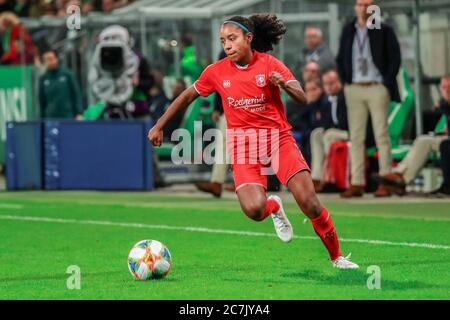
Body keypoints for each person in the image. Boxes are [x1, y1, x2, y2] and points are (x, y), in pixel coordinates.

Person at [148, 14, 359, 269]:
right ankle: (273, 206)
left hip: (277, 139)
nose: (227, 45)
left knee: (309, 202)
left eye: (232, 38)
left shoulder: (270, 64)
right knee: (254, 211)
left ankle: (337, 257)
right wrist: (159, 125)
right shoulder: (216, 71)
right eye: (223, 40)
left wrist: (285, 86)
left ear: (249, 38)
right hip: (243, 145)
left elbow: (303, 97)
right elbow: (187, 95)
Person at [336, 0, 401, 198]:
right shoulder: (348, 29)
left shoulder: (383, 29)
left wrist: (385, 82)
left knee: (381, 134)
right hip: (354, 87)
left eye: (368, 4)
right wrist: (346, 81)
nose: (364, 8)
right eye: (360, 4)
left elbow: (395, 58)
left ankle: (386, 180)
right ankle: (357, 183)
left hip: (376, 87)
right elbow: (341, 57)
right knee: (356, 137)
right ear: (355, 7)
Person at [376, 75, 450, 195]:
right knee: (423, 141)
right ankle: (400, 178)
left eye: (449, 87)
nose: (447, 91)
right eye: (444, 87)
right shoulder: (444, 106)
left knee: (445, 145)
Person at [310, 69, 349, 191]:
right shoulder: (325, 101)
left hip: (348, 132)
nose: (329, 87)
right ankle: (316, 177)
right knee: (316, 134)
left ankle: (329, 176)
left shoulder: (346, 97)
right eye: (326, 84)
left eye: (332, 83)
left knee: (329, 135)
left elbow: (345, 123)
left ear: (339, 82)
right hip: (333, 132)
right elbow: (324, 123)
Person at [38, 48, 83, 119]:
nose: (49, 62)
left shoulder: (68, 74)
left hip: (68, 116)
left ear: (56, 59)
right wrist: (42, 117)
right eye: (46, 60)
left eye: (51, 59)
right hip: (51, 118)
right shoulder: (43, 78)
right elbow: (42, 101)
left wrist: (79, 112)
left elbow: (76, 94)